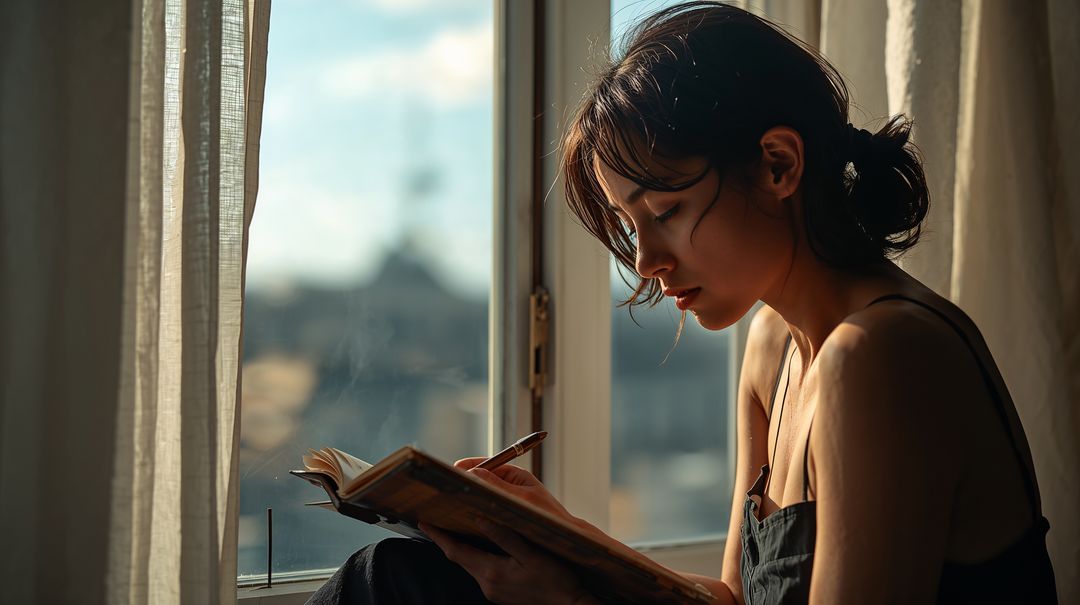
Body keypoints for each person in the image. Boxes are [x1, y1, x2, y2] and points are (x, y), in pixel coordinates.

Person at [307, 2, 1058, 603]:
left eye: (665, 210)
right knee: (402, 574)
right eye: (630, 225)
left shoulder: (883, 354)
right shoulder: (773, 347)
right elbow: (732, 598)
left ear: (778, 164)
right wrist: (564, 534)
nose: (646, 261)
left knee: (391, 584)